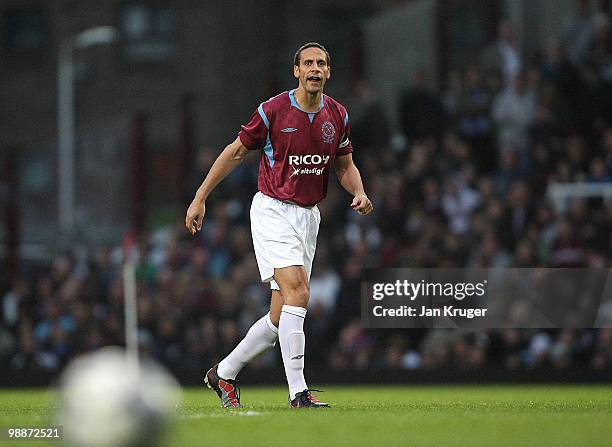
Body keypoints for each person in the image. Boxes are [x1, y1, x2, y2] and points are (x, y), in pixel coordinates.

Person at [185, 42, 373, 408]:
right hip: (273, 209)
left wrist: (360, 191)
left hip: (308, 217)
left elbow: (345, 166)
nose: (315, 69)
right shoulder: (273, 110)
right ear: (296, 71)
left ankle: (222, 373)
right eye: (308, 63)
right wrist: (200, 196)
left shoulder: (338, 115)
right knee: (299, 292)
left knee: (278, 316)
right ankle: (298, 392)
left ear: (329, 72)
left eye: (321, 63)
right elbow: (237, 152)